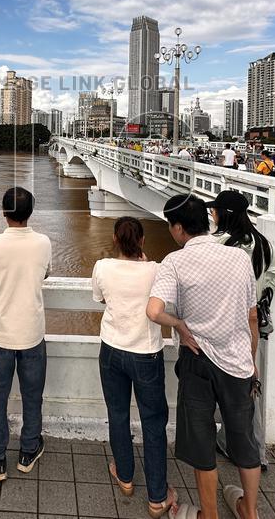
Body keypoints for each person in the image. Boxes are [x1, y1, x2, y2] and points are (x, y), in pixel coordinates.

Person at [148, 195, 261, 519]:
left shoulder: (175, 262)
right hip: (238, 361)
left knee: (201, 444)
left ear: (178, 227)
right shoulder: (239, 257)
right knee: (244, 441)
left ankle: (208, 515)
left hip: (197, 361)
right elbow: (251, 316)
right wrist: (250, 359)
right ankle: (249, 511)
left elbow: (154, 311)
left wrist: (180, 325)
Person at [92, 218, 178, 518]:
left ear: (115, 240)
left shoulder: (102, 267)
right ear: (142, 241)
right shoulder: (156, 270)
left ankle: (125, 477)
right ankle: (157, 496)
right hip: (146, 354)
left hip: (112, 349)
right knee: (153, 422)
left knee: (117, 413)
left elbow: (100, 297)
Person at [207, 191, 275, 471]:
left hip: (219, 324)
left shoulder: (218, 244)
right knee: (246, 389)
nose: (211, 214)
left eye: (215, 210)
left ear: (223, 214)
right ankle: (251, 450)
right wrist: (262, 288)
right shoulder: (259, 243)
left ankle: (217, 441)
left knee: (210, 385)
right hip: (248, 326)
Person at [0, 186, 52, 482]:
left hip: (0, 335)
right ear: (30, 212)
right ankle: (28, 451)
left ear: (4, 212)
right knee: (32, 396)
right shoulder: (43, 242)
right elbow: (45, 272)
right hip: (32, 334)